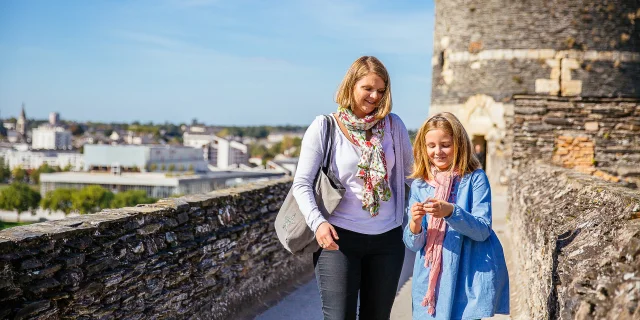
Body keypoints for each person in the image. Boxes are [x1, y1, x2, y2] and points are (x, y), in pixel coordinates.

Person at [292, 56, 413, 320]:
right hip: (338, 239)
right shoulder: (325, 127)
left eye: (381, 91)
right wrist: (318, 223)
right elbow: (301, 183)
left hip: (387, 239)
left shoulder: (394, 126)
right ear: (351, 86)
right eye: (367, 88)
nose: (374, 96)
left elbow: (411, 176)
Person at [404, 112, 509, 319]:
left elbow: (482, 230)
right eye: (431, 145)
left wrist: (451, 212)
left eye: (445, 144)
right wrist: (415, 223)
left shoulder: (475, 179)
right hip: (430, 282)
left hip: (466, 275)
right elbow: (413, 244)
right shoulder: (420, 184)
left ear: (459, 144)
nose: (438, 151)